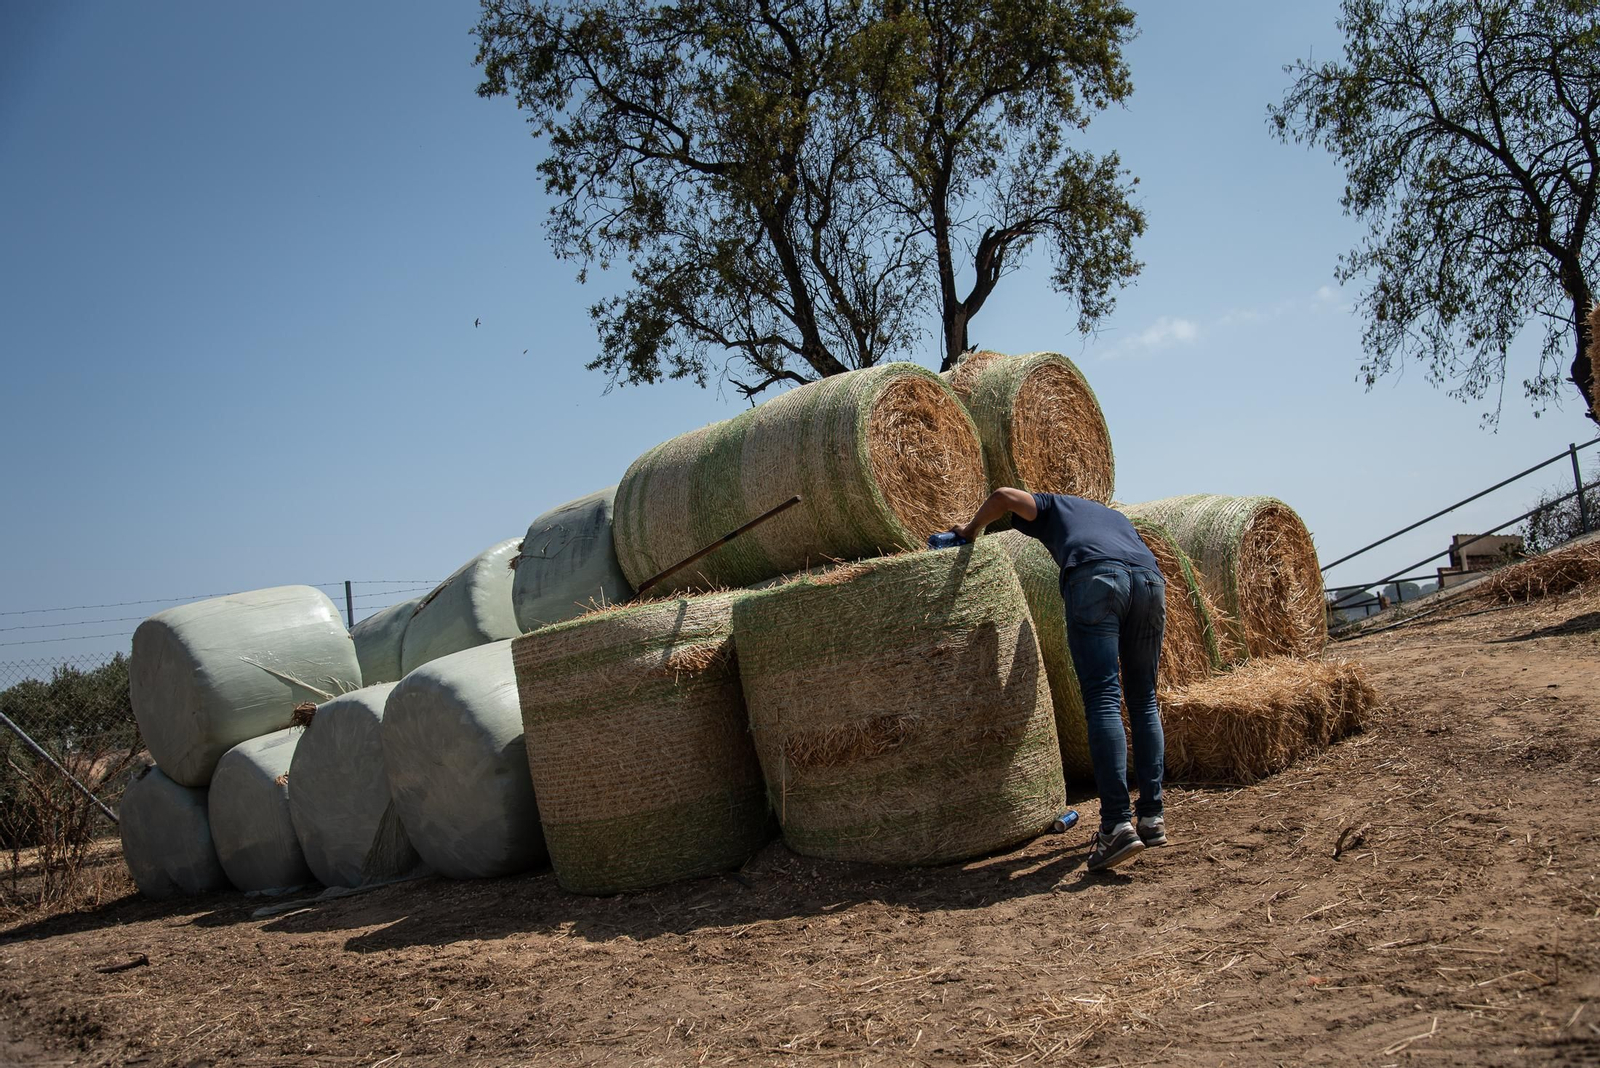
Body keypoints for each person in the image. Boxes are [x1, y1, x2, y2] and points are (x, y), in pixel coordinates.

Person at [944, 488, 1168, 872]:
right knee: (1144, 698)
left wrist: (969, 530)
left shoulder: (1051, 504)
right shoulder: (1112, 516)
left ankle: (1116, 824)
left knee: (1102, 698)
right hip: (1150, 581)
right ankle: (1151, 816)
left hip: (1098, 577)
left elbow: (1003, 496)